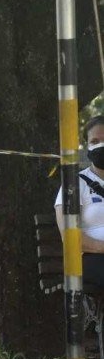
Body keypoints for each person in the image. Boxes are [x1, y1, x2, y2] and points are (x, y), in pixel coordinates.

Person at [55, 115, 104, 287]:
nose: (101, 145)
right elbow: (71, 238)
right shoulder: (75, 184)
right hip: (89, 260)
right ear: (87, 146)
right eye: (95, 141)